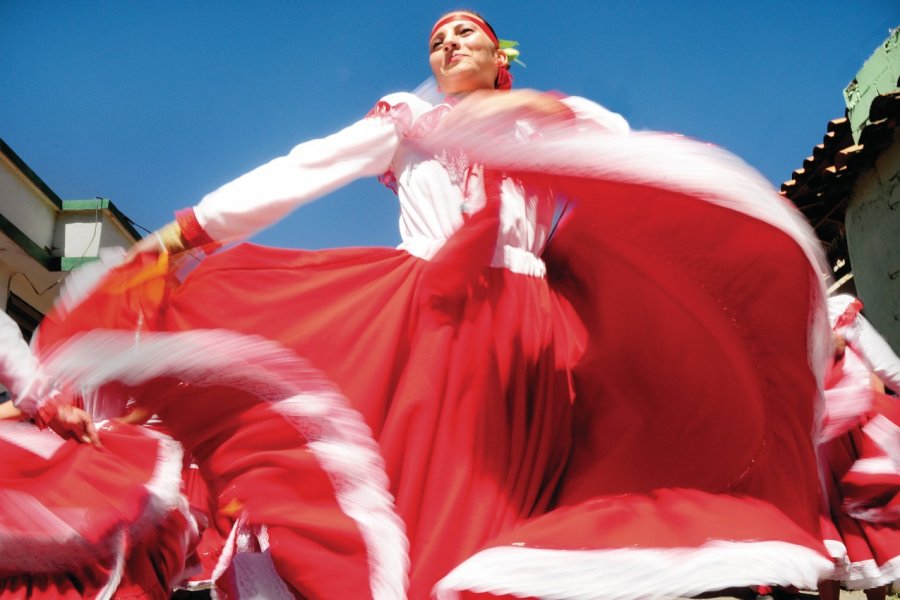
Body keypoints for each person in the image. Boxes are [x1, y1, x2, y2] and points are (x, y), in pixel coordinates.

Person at [35, 10, 835, 599]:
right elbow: (301, 169)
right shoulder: (408, 122)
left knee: (530, 484)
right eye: (436, 40)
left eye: (466, 34)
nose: (448, 45)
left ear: (499, 54)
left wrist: (544, 122)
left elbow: (628, 165)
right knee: (435, 477)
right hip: (431, 316)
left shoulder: (554, 120)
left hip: (537, 323)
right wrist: (184, 235)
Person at [0, 309, 194, 599]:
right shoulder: (89, 339)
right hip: (88, 459)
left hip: (106, 464)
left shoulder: (162, 350)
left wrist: (50, 408)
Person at [817, 295, 900, 600]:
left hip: (850, 442)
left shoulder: (837, 313)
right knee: (830, 536)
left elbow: (886, 370)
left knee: (857, 530)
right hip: (818, 446)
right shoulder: (777, 328)